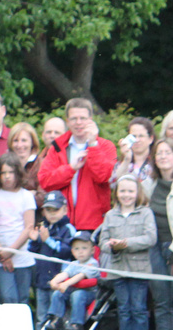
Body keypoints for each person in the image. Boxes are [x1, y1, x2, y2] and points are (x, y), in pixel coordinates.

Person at [37, 98, 117, 232]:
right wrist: (71, 169)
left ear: (91, 119)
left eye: (83, 118)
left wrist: (93, 146)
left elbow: (104, 177)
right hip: (61, 223)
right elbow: (45, 181)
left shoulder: (105, 146)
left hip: (93, 223)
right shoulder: (57, 147)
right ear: (67, 121)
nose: (78, 123)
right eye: (74, 119)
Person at [100, 175, 154, 330]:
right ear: (117, 193)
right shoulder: (110, 215)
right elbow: (103, 242)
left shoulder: (145, 213)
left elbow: (151, 238)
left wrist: (127, 243)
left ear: (137, 192)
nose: (127, 195)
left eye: (131, 191)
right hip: (118, 269)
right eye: (122, 191)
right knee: (123, 309)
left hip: (140, 269)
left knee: (138, 308)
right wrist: (113, 247)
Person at [146, 139, 173, 330]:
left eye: (167, 152)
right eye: (159, 153)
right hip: (154, 250)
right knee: (161, 301)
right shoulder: (148, 185)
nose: (162, 156)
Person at [0, 153, 37, 308]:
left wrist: (11, 250)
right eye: (3, 173)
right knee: (8, 297)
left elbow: (28, 227)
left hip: (22, 255)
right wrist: (3, 254)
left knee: (23, 299)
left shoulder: (26, 196)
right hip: (0, 255)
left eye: (11, 172)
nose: (7, 177)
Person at [29, 191, 75, 329]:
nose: (52, 213)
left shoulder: (68, 229)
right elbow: (34, 252)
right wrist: (35, 240)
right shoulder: (44, 228)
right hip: (42, 280)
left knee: (57, 314)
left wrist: (48, 240)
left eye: (56, 209)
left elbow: (68, 251)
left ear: (65, 209)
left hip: (59, 282)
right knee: (42, 314)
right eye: (48, 210)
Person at [46, 233, 101, 330]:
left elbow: (80, 276)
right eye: (76, 249)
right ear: (72, 252)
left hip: (90, 293)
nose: (80, 252)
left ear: (92, 250)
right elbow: (65, 274)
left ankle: (76, 323)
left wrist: (66, 284)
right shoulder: (74, 264)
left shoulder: (92, 263)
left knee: (77, 294)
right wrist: (54, 281)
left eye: (84, 248)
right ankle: (56, 319)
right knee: (58, 293)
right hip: (72, 291)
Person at [117, 117, 154, 185]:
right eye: (133, 136)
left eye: (141, 136)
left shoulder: (157, 162)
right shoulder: (121, 162)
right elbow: (114, 183)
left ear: (150, 139)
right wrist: (126, 160)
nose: (137, 140)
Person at [6, 122, 42, 194]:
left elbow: (42, 196)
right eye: (16, 140)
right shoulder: (5, 164)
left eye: (24, 140)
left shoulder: (41, 164)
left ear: (32, 142)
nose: (19, 145)